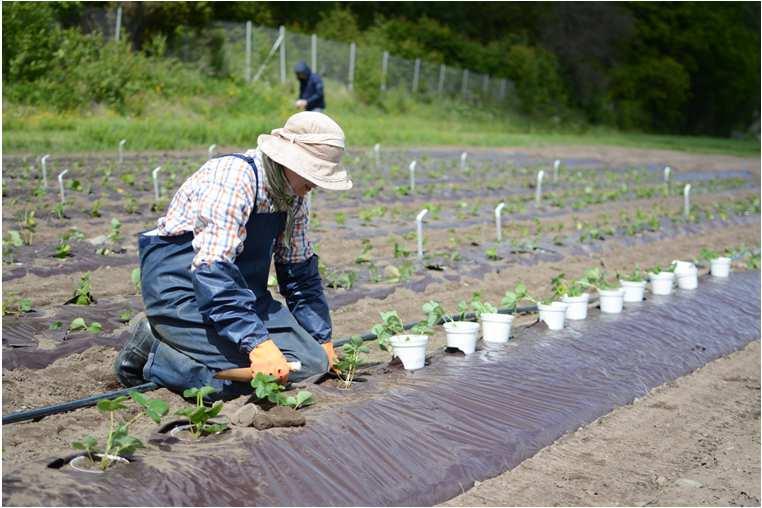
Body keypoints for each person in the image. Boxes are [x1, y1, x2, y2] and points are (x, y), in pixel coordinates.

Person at [113, 112, 351, 399]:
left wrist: (321, 338)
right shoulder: (235, 179)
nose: (316, 184)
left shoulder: (294, 197)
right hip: (184, 294)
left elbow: (299, 274)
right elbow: (213, 272)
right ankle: (153, 350)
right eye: (314, 173)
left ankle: (205, 348)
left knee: (311, 365)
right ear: (289, 160)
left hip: (243, 297)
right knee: (249, 382)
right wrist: (257, 344)